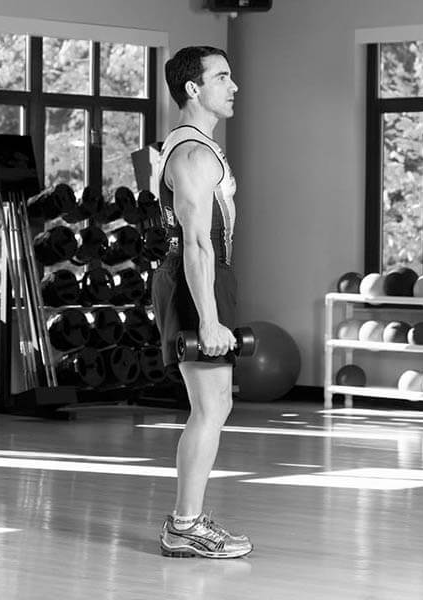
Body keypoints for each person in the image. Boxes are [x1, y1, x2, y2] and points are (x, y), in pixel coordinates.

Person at [150, 46, 251, 557]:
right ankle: (184, 525)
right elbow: (195, 242)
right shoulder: (193, 153)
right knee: (210, 407)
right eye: (222, 77)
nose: (234, 87)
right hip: (196, 279)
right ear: (193, 88)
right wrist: (208, 320)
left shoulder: (196, 146)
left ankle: (186, 521)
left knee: (215, 405)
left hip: (207, 275)